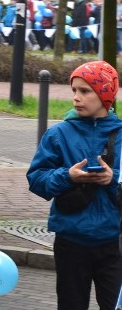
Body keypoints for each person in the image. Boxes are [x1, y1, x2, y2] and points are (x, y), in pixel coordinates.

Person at [27, 61, 122, 310]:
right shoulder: (58, 134)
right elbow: (36, 179)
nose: (76, 98)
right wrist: (67, 176)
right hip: (71, 240)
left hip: (114, 241)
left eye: (85, 91)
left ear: (105, 94)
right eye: (74, 91)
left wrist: (112, 178)